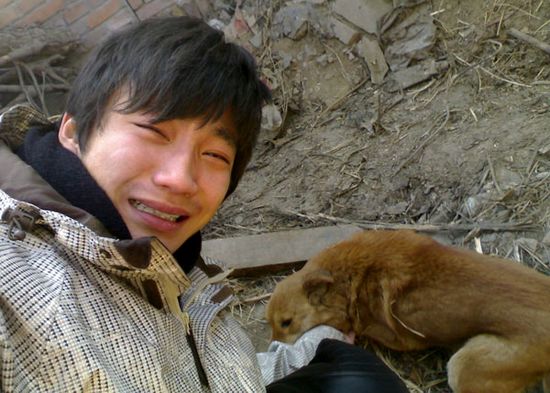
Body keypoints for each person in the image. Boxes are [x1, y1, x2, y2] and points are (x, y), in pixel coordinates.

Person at [0, 16, 408, 392]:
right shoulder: (17, 278)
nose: (179, 178)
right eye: (153, 131)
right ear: (72, 131)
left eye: (214, 155)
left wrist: (321, 341)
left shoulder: (183, 275)